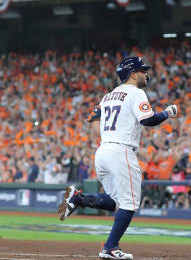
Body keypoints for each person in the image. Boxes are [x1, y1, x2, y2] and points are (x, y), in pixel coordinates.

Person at [57, 56, 178, 260]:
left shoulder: (108, 96)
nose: (146, 74)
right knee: (129, 204)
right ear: (132, 74)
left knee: (115, 202)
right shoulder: (136, 92)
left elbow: (92, 118)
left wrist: (107, 137)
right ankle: (110, 247)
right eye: (142, 70)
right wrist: (167, 113)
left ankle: (78, 199)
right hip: (121, 152)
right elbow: (148, 119)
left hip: (103, 151)